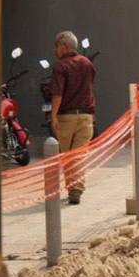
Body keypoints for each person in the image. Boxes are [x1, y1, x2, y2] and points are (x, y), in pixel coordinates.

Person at [50, 30, 96, 205]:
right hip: (85, 117)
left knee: (67, 156)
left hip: (66, 118)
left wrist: (53, 116)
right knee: (79, 155)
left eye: (56, 47)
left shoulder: (60, 66)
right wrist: (92, 115)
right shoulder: (87, 64)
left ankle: (73, 189)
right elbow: (90, 90)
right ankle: (75, 189)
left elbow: (57, 93)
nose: (55, 51)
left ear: (64, 46)